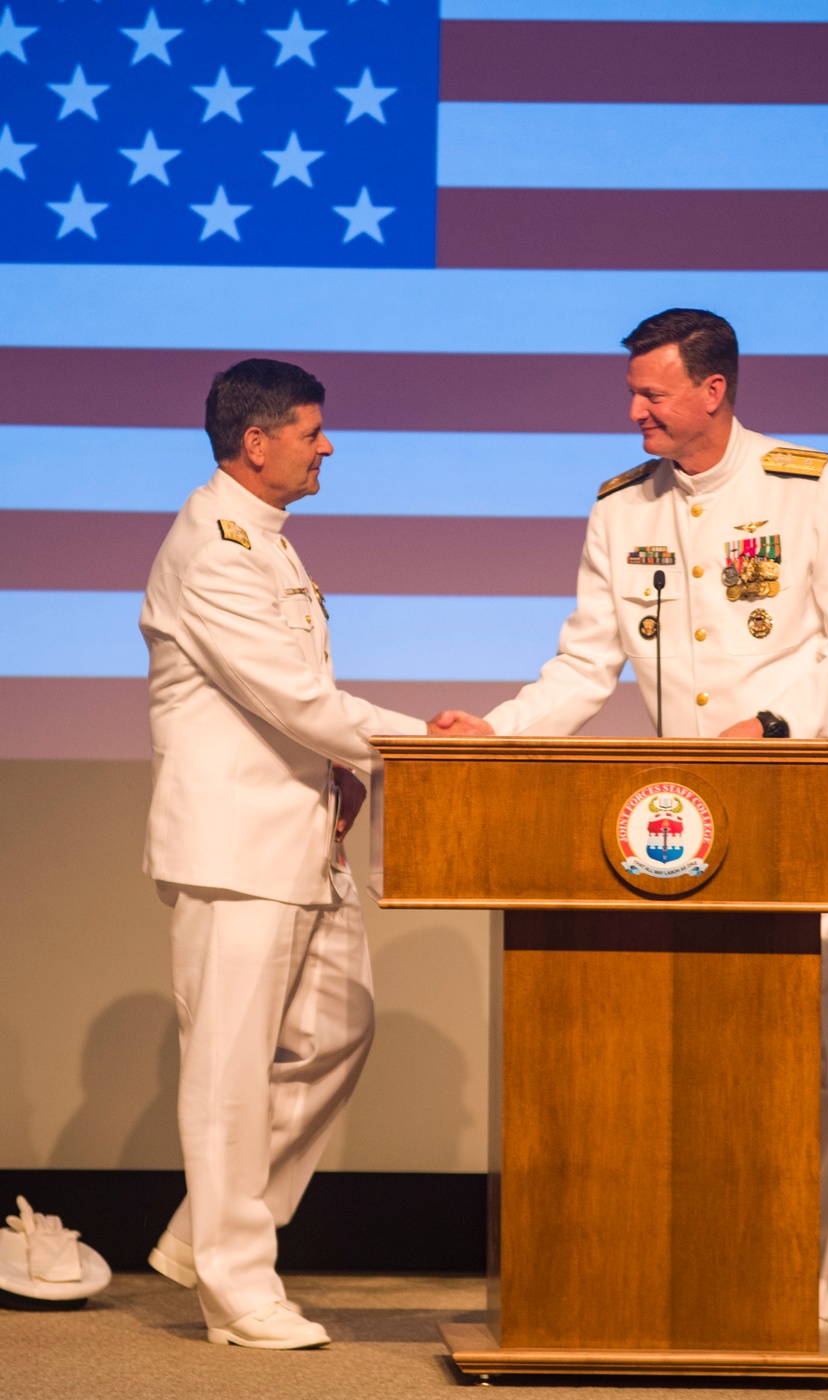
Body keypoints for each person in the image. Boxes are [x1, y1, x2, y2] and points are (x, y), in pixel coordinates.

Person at [439, 308, 828, 1325]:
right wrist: (501, 734)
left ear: (714, 390)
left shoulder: (816, 487)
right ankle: (688, 1275)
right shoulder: (620, 509)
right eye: (631, 392)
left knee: (820, 1066)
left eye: (651, 392)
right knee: (699, 1057)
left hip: (811, 808)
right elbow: (583, 661)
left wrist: (771, 725)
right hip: (684, 833)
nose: (634, 410)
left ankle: (802, 1292)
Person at [139, 358, 481, 1348]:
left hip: (297, 836)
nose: (325, 444)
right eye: (311, 429)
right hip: (236, 845)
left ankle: (207, 1227)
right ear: (258, 443)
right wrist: (425, 740)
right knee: (231, 1066)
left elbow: (293, 707)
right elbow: (296, 699)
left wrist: (347, 770)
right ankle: (237, 1290)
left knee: (339, 1026)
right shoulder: (215, 547)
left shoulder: (263, 542)